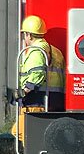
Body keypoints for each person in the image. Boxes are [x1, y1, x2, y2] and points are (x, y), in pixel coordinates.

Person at [11, 15, 65, 145]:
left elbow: (37, 75)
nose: (25, 38)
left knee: (21, 131)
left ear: (29, 35)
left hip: (36, 101)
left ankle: (37, 153)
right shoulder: (55, 51)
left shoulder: (36, 51)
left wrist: (23, 92)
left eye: (25, 34)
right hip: (54, 100)